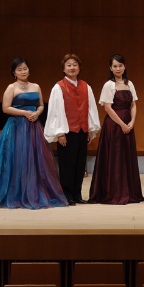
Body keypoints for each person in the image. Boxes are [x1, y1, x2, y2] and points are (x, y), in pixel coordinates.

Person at [0, 58, 68, 209]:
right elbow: (5, 108)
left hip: (34, 126)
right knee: (17, 158)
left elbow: (41, 105)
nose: (23, 72)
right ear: (14, 73)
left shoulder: (36, 86)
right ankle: (17, 193)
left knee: (35, 158)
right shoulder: (11, 87)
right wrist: (24, 113)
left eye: (25, 68)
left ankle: (34, 192)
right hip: (17, 126)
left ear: (29, 70)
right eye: (19, 69)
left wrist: (37, 113)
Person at [44, 54, 100, 205]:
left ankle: (77, 194)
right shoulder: (59, 87)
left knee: (80, 164)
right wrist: (60, 133)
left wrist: (90, 129)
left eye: (75, 64)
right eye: (68, 65)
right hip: (67, 131)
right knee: (67, 164)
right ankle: (67, 195)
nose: (72, 67)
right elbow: (55, 111)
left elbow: (91, 108)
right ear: (63, 68)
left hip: (82, 130)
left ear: (79, 68)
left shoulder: (86, 86)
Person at [89, 54, 144, 204]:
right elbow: (108, 108)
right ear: (110, 68)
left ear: (124, 67)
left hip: (128, 124)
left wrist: (132, 121)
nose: (118, 68)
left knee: (126, 157)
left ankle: (129, 192)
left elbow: (133, 104)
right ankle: (114, 193)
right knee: (115, 157)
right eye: (115, 66)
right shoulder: (108, 85)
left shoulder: (129, 83)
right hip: (114, 125)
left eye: (120, 65)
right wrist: (122, 124)